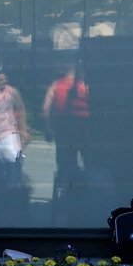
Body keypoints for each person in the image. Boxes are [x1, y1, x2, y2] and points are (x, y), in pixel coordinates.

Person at [41, 61, 91, 191]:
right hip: (84, 131)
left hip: (63, 131)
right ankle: (86, 188)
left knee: (65, 163)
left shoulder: (55, 85)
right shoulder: (85, 86)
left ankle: (66, 189)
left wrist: (48, 129)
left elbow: (45, 109)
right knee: (89, 162)